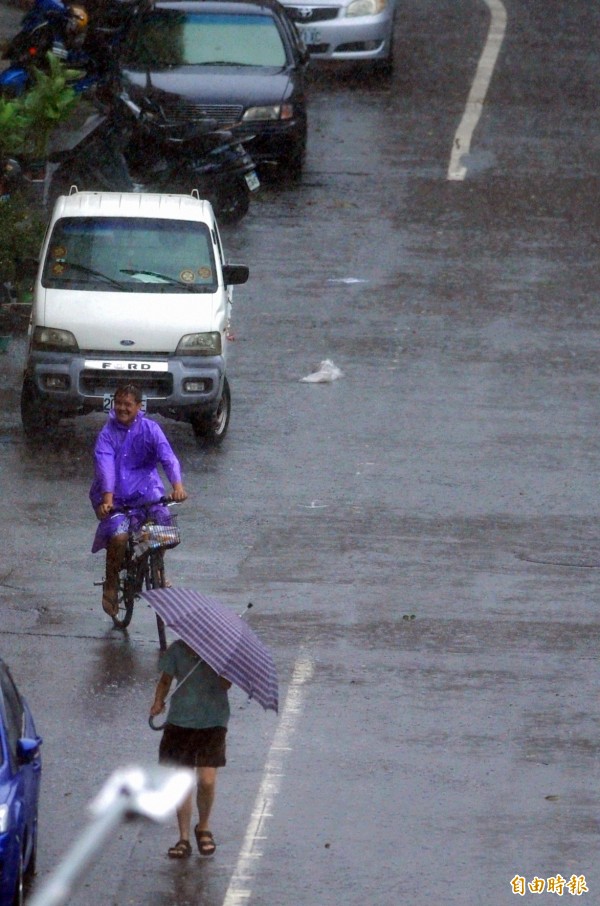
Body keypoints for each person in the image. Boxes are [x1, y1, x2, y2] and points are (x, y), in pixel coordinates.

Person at [90, 383, 188, 616]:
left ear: (139, 407)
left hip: (146, 491)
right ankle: (111, 584)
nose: (123, 409)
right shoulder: (106, 435)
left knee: (164, 529)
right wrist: (107, 498)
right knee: (120, 536)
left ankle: (157, 569)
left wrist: (177, 487)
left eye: (128, 404)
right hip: (114, 496)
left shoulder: (151, 429)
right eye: (119, 403)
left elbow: (167, 457)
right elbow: (106, 468)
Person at [150, 639, 231, 859]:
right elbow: (165, 680)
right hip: (180, 722)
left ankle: (203, 827)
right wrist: (158, 701)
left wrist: (216, 663)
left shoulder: (221, 651)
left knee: (207, 779)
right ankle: (183, 838)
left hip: (213, 721)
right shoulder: (177, 650)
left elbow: (226, 684)